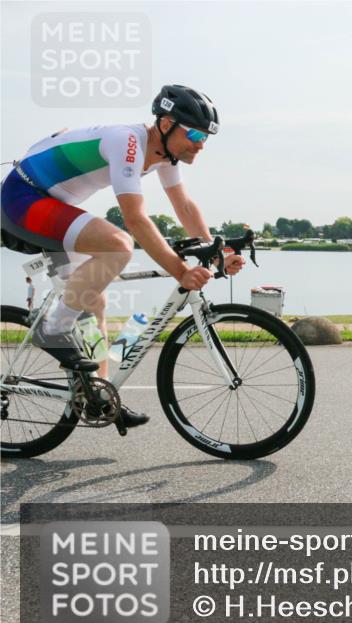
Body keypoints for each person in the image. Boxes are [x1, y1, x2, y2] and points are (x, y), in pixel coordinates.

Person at [0, 84, 245, 429]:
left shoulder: (165, 156)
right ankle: (53, 329)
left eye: (205, 136)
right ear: (165, 124)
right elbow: (135, 219)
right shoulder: (128, 142)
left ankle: (99, 398)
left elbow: (184, 206)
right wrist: (180, 271)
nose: (200, 143)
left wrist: (217, 254)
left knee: (92, 303)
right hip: (22, 198)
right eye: (193, 132)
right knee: (119, 244)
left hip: (50, 203)